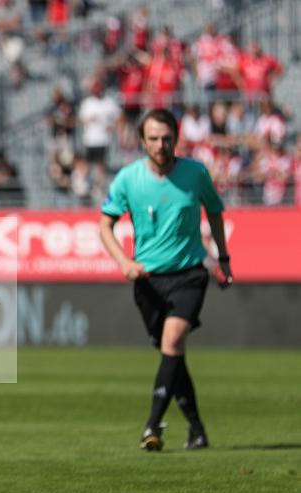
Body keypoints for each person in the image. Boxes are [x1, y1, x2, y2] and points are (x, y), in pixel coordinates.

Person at [99, 108, 233, 452]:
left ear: (176, 138)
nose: (161, 144)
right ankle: (197, 429)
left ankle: (151, 425)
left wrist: (223, 258)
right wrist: (124, 262)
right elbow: (105, 225)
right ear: (142, 141)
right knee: (172, 355)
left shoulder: (195, 173)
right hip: (148, 280)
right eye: (154, 138)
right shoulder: (128, 179)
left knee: (173, 342)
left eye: (167, 138)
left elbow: (215, 212)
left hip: (189, 273)